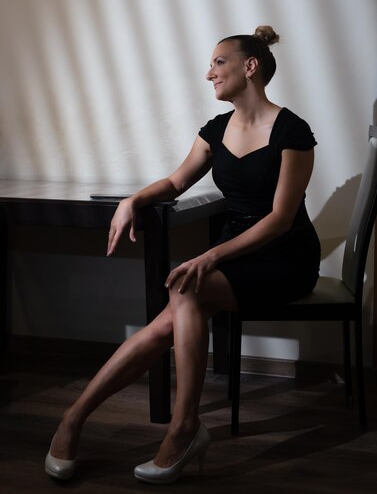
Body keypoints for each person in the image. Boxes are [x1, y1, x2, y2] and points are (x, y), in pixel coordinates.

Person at [45, 25, 321, 485]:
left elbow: (280, 219)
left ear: (249, 67)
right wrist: (131, 200)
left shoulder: (293, 131)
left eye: (218, 62)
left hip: (285, 259)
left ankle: (176, 428)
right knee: (174, 310)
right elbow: (175, 183)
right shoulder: (215, 130)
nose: (208, 73)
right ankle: (81, 420)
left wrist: (210, 257)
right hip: (235, 257)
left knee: (184, 288)